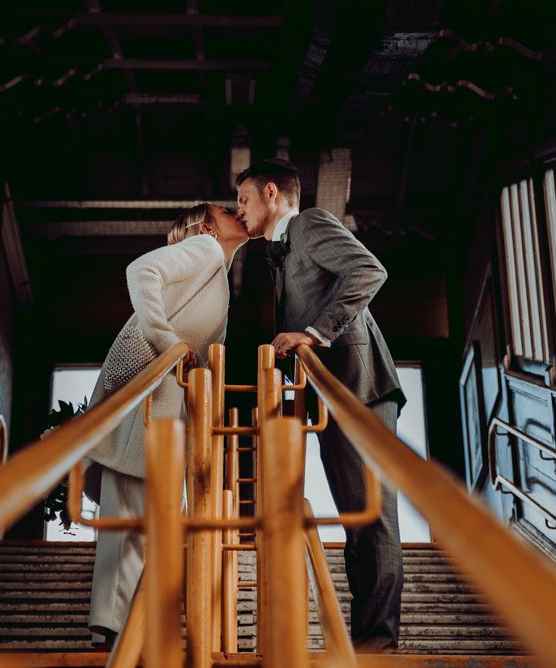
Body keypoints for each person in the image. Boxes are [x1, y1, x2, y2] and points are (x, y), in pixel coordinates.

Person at [236, 159, 405, 651]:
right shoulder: (281, 253)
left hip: (360, 389)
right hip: (334, 397)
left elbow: (368, 270)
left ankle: (379, 646)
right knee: (358, 520)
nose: (240, 211)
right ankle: (368, 641)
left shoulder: (308, 224)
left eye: (244, 200)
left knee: (372, 518)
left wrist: (314, 333)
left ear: (271, 193)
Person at [85, 202, 248, 647]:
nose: (241, 212)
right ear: (206, 225)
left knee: (145, 519)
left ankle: (124, 628)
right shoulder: (206, 249)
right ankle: (115, 628)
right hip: (145, 402)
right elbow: (141, 271)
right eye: (230, 209)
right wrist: (167, 338)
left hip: (164, 408)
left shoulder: (218, 276)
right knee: (132, 514)